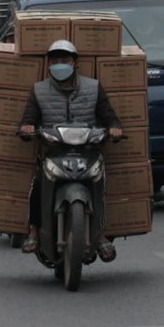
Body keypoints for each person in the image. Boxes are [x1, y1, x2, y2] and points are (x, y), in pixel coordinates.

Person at [18, 39, 123, 260]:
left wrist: (114, 128)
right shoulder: (39, 90)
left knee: (101, 185)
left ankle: (101, 233)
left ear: (75, 62)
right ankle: (34, 230)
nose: (59, 64)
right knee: (38, 184)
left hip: (88, 151)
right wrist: (26, 127)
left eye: (64, 59)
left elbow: (109, 116)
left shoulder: (93, 87)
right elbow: (28, 118)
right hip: (54, 152)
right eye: (54, 60)